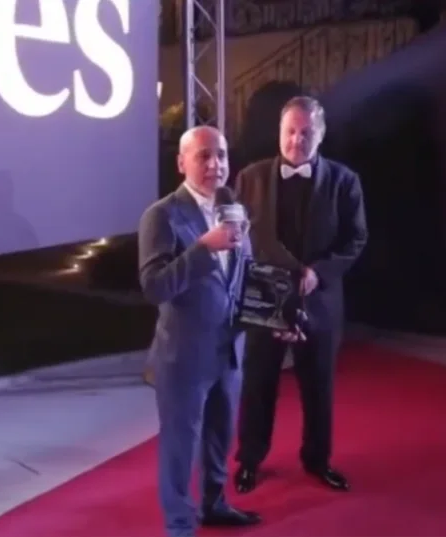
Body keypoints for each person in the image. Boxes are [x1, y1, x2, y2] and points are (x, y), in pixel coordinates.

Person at [140, 126, 284, 536]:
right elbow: (154, 287)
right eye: (203, 155)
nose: (215, 164)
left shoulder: (233, 209)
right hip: (183, 357)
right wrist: (204, 248)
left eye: (220, 155)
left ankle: (214, 504)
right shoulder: (161, 215)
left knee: (220, 437)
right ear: (181, 162)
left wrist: (279, 318)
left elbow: (244, 280)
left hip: (229, 350)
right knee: (181, 447)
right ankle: (180, 526)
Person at [232, 95, 367, 494]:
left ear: (320, 135)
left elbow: (356, 239)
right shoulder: (250, 177)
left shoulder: (345, 181)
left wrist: (318, 273)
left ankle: (318, 460)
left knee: (318, 386)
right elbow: (239, 239)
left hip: (319, 300)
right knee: (258, 384)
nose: (296, 140)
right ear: (280, 132)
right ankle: (250, 459)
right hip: (265, 299)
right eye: (290, 131)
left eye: (306, 133)